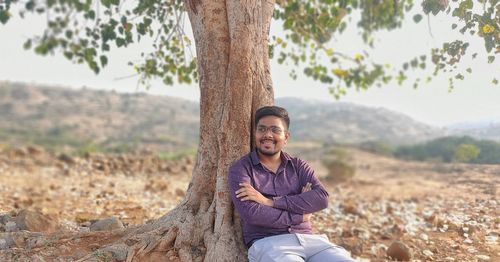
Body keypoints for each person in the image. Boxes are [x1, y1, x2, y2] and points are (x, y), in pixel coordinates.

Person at [228, 106, 356, 262]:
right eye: (262, 129)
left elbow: (321, 198)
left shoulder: (299, 166)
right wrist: (300, 215)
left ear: (286, 137)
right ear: (255, 134)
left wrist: (269, 202)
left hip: (311, 241)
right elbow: (253, 214)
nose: (267, 135)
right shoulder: (242, 169)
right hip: (269, 244)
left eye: (275, 130)